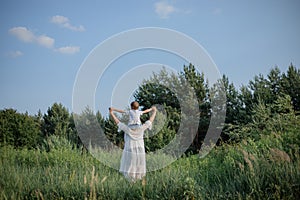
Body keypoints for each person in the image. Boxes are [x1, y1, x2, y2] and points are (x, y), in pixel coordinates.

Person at [109, 105, 157, 181]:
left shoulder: (127, 129)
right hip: (140, 150)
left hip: (130, 150)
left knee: (130, 167)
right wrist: (154, 111)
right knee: (139, 166)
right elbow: (150, 120)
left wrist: (112, 113)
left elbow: (118, 122)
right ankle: (138, 182)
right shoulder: (141, 128)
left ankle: (131, 182)